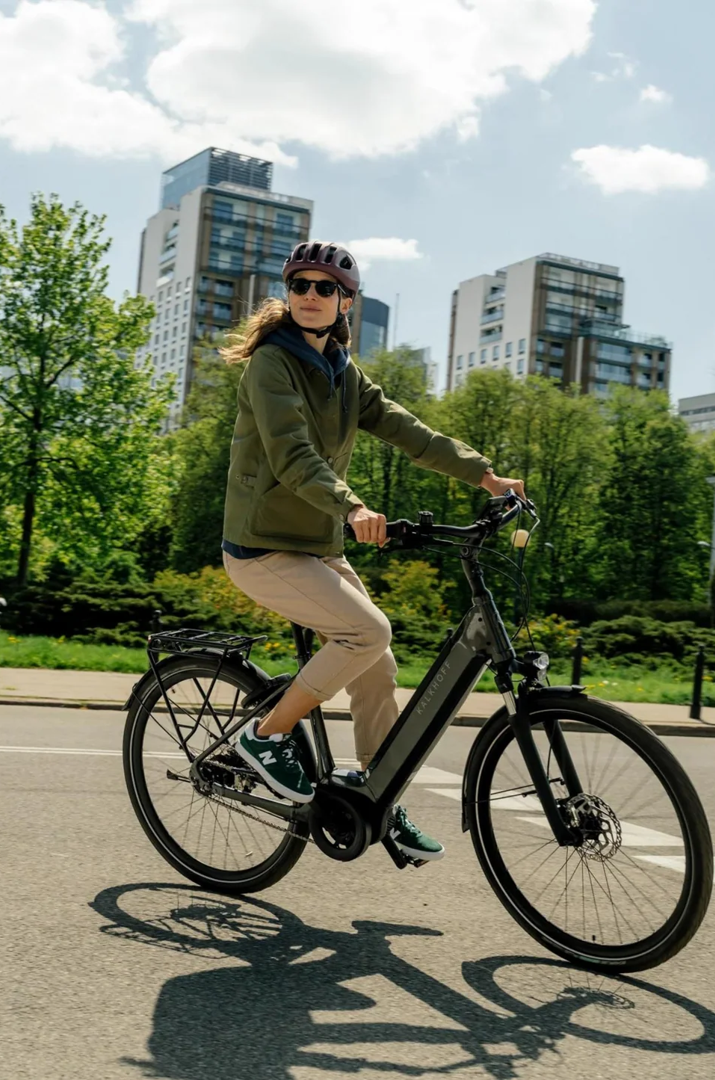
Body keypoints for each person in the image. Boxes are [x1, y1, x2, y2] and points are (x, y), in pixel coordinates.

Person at [221, 240, 526, 863]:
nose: (310, 295)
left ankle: (377, 794)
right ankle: (265, 734)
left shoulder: (342, 372)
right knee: (367, 633)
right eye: (300, 285)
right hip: (261, 547)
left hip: (316, 544)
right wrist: (353, 507)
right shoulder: (270, 366)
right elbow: (292, 453)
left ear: (345, 302)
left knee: (377, 663)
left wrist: (485, 477)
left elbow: (409, 430)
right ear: (289, 296)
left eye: (324, 288)